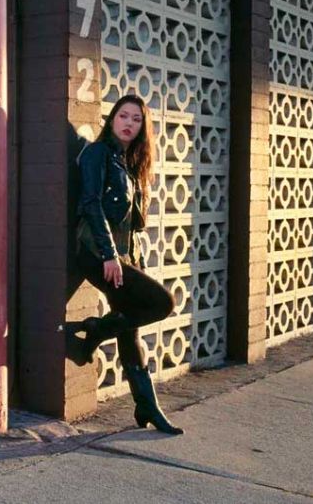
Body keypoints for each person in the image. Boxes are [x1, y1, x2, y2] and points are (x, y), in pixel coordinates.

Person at [73, 94, 183, 435]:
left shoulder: (130, 163)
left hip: (122, 257)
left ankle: (146, 405)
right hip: (95, 252)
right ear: (112, 119)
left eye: (136, 119)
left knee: (128, 326)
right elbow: (91, 204)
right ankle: (95, 329)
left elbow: (131, 226)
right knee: (163, 303)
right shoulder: (98, 153)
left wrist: (134, 261)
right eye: (123, 116)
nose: (129, 123)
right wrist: (109, 254)